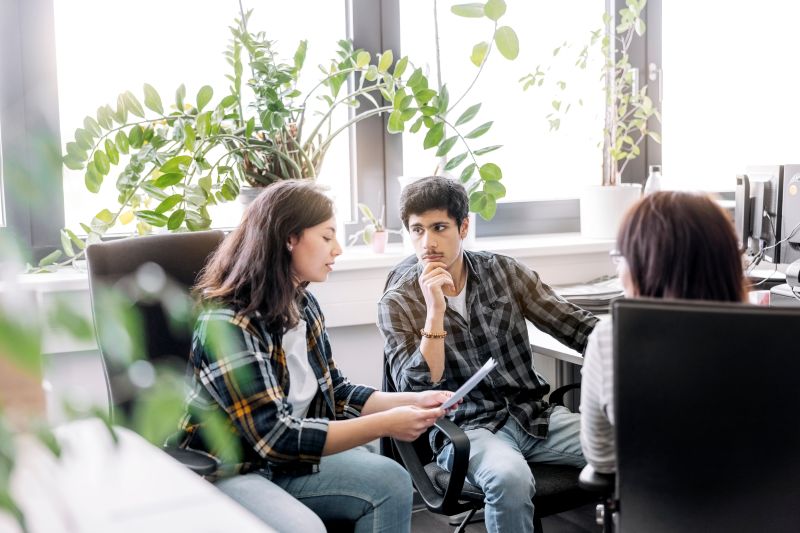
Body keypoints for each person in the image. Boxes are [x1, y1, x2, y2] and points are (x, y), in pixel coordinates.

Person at [175, 179, 456, 533]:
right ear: (290, 238)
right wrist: (388, 423)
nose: (337, 248)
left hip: (278, 461)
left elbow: (335, 393)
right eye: (327, 237)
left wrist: (415, 400)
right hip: (227, 469)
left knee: (384, 475)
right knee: (315, 521)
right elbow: (275, 436)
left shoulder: (303, 305)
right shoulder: (230, 323)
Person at [377, 176, 598, 533]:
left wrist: (642, 349)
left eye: (439, 228)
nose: (427, 243)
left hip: (533, 414)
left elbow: (575, 326)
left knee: (632, 446)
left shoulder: (503, 272)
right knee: (509, 477)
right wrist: (434, 312)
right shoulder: (399, 300)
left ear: (463, 227)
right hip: (466, 428)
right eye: (417, 230)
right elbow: (415, 388)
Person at [580, 191, 747, 473]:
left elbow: (601, 459)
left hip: (653, 514)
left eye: (621, 258)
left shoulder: (611, 338)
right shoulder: (777, 335)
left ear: (647, 265)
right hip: (768, 514)